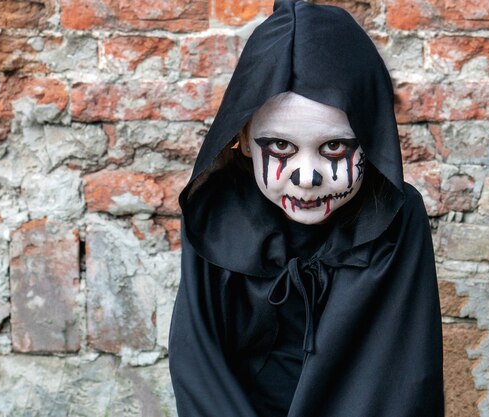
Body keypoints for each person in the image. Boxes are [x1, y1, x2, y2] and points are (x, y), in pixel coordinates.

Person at [168, 1, 445, 416]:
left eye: (334, 147)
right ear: (243, 139)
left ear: (370, 139)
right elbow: (198, 362)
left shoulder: (397, 216)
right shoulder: (218, 214)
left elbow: (401, 375)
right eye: (280, 146)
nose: (307, 177)